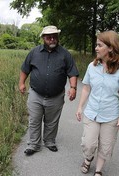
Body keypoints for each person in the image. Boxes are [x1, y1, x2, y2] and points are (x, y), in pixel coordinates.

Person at [76, 30, 119, 176]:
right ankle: (88, 158)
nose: (96, 48)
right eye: (96, 45)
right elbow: (86, 88)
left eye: (99, 45)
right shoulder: (92, 66)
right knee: (89, 144)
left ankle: (98, 171)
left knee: (106, 146)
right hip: (92, 112)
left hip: (111, 115)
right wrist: (80, 107)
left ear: (111, 48)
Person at [19, 25, 79, 156]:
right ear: (43, 38)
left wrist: (73, 88)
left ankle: (49, 141)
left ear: (57, 37)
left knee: (52, 121)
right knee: (34, 119)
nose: (52, 39)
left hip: (56, 95)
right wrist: (21, 83)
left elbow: (72, 72)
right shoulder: (34, 52)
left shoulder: (65, 54)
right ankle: (34, 144)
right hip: (36, 93)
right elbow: (25, 69)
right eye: (48, 37)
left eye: (54, 36)